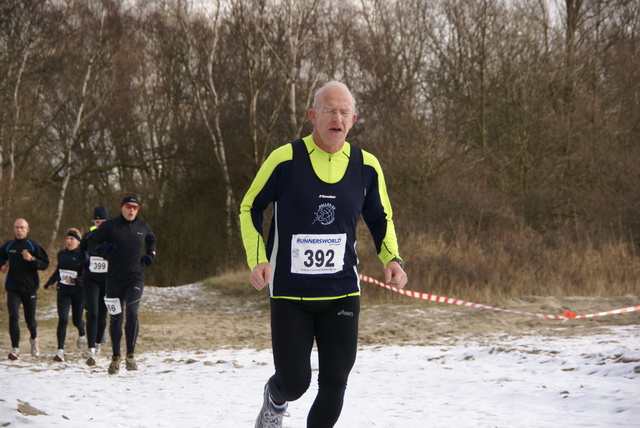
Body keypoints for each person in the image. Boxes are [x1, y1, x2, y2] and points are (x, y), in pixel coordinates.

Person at [239, 81, 407, 428]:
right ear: (313, 116)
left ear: (354, 119)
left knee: (334, 385)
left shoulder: (367, 166)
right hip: (290, 295)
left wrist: (392, 258)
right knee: (296, 383)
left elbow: (381, 218)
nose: (337, 117)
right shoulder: (285, 159)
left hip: (341, 293)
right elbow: (249, 207)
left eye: (344, 111)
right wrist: (258, 258)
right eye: (330, 110)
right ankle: (275, 398)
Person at [89, 193, 156, 374]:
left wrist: (151, 253)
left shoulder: (143, 226)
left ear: (138, 209)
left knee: (132, 313)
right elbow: (91, 242)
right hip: (114, 280)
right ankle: (116, 356)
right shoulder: (110, 225)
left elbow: (152, 239)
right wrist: (102, 249)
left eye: (135, 207)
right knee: (116, 320)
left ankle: (131, 355)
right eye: (128, 206)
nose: (131, 210)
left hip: (135, 278)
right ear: (122, 208)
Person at [0, 218, 50, 360]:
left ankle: (34, 340)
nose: (19, 230)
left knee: (30, 320)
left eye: (22, 228)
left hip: (29, 288)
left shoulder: (33, 245)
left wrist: (32, 259)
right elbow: (0, 257)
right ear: (13, 229)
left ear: (27, 229)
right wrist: (2, 266)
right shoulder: (9, 246)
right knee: (13, 316)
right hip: (13, 288)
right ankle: (15, 348)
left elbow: (45, 264)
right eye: (16, 227)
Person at [43, 228, 87, 362]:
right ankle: (60, 351)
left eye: (72, 239)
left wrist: (75, 280)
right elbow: (59, 270)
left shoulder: (83, 255)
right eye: (67, 238)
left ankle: (82, 330)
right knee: (63, 319)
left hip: (78, 292)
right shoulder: (61, 254)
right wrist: (50, 282)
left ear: (78, 242)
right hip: (63, 291)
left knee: (76, 320)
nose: (68, 241)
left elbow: (86, 275)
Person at [80, 206, 110, 366]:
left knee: (102, 315)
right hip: (90, 279)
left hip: (107, 280)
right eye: (97, 222)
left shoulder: (114, 236)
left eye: (103, 222)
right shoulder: (88, 236)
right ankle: (91, 349)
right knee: (92, 312)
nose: (100, 225)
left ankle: (98, 342)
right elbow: (81, 253)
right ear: (94, 222)